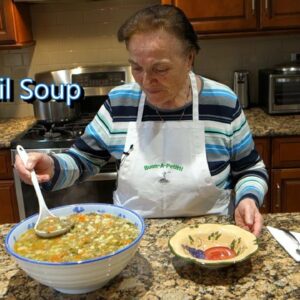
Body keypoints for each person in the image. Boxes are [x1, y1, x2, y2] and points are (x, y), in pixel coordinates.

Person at [14, 4, 268, 236]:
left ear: (189, 58)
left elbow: (250, 169)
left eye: (160, 69)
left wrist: (248, 198)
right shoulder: (120, 102)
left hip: (211, 238)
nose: (146, 82)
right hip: (132, 238)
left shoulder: (222, 102)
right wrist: (52, 166)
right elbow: (83, 161)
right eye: (136, 68)